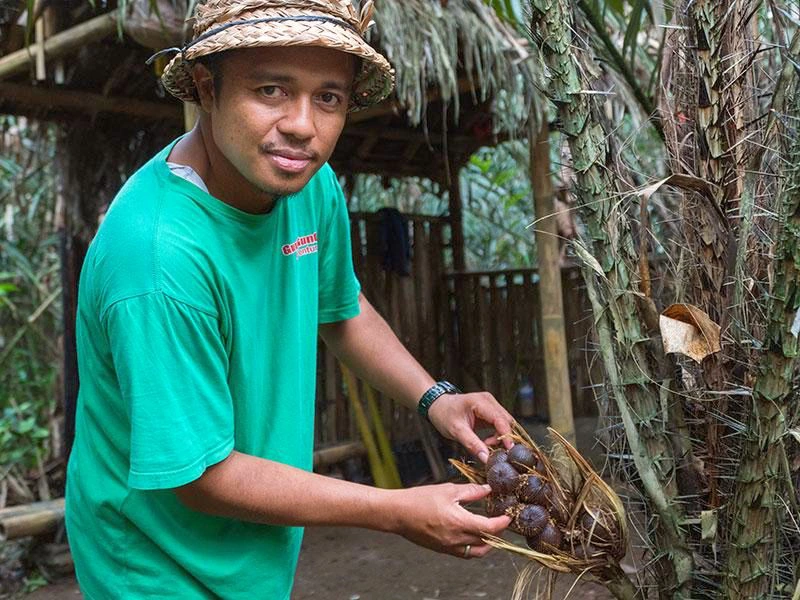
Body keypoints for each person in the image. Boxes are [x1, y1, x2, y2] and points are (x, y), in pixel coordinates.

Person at [65, 1, 516, 598]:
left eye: (328, 97)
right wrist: (394, 510)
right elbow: (200, 475)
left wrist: (435, 399)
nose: (303, 124)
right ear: (207, 87)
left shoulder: (306, 182)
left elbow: (343, 309)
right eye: (271, 89)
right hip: (154, 564)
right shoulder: (156, 260)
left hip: (250, 551)